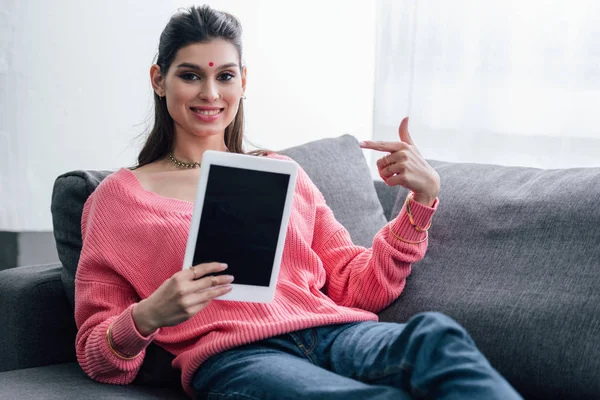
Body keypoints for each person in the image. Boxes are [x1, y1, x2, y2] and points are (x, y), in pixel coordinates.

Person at [74, 5, 523, 400]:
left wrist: (422, 200)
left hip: (333, 332)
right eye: (191, 75)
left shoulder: (279, 172)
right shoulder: (117, 200)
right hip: (237, 356)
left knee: (437, 339)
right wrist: (148, 315)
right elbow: (96, 353)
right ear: (159, 79)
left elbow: (355, 284)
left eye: (224, 76)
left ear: (243, 82)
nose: (210, 94)